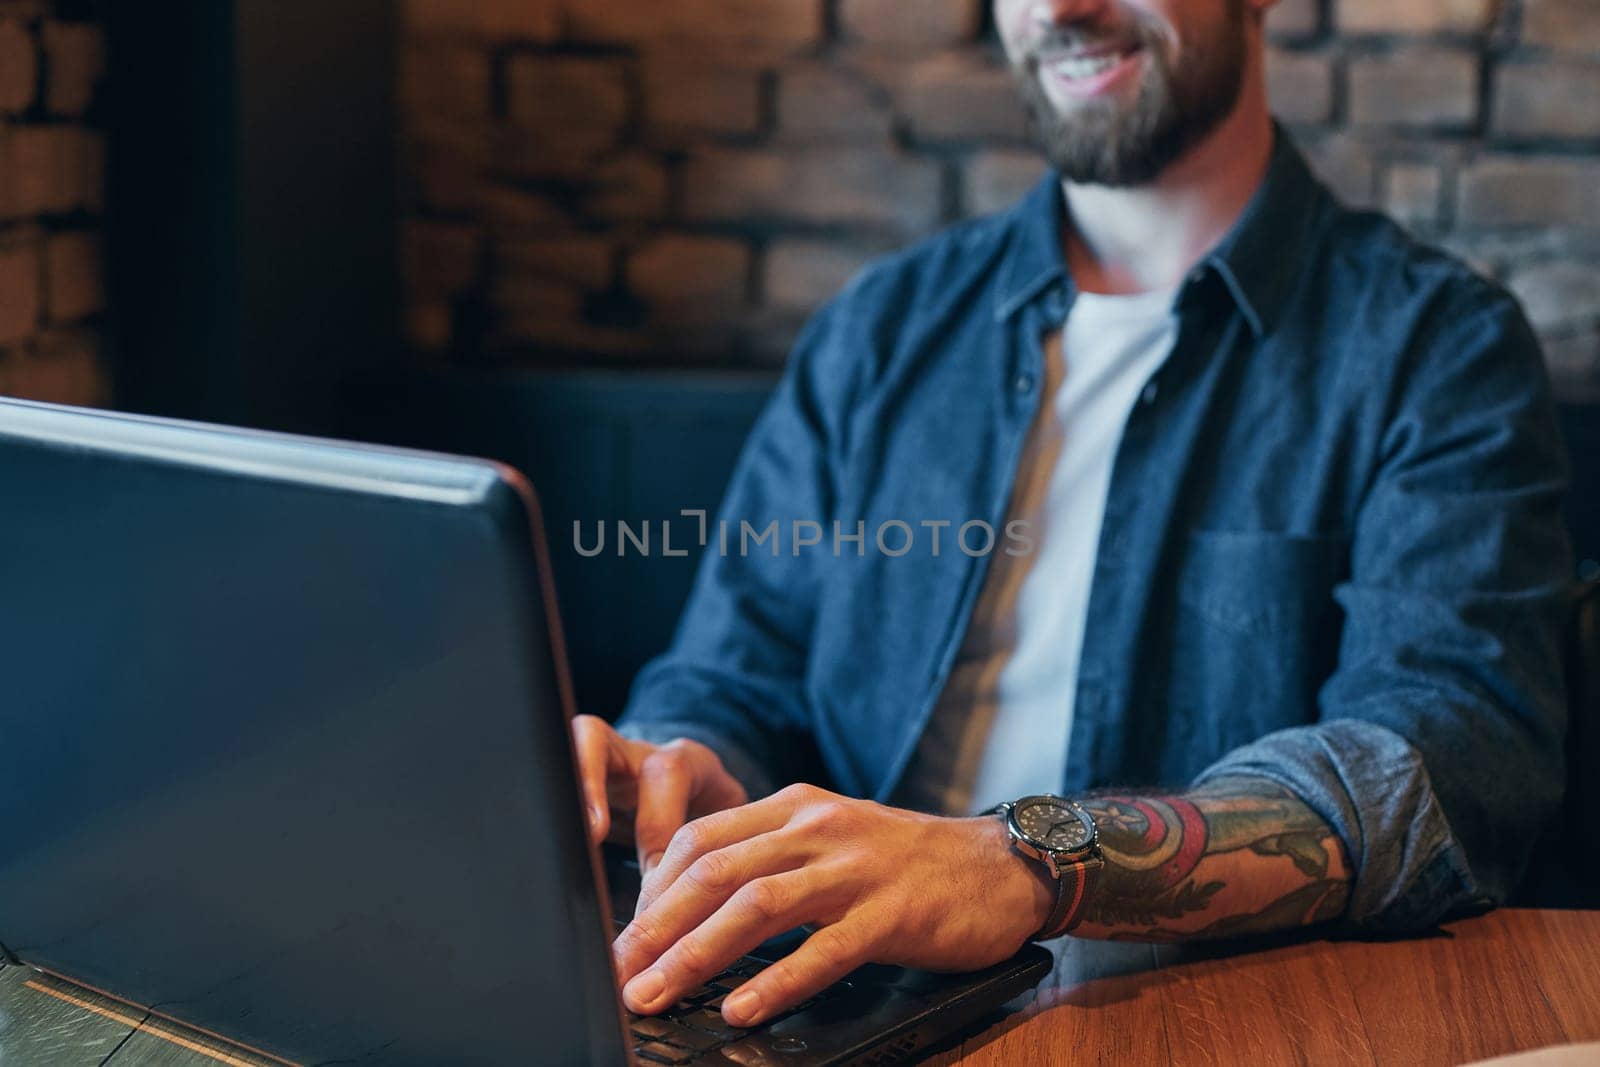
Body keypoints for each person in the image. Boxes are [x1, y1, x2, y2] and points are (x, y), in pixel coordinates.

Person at [572, 0, 1574, 1030]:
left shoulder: (1436, 348)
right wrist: (674, 774)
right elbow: (732, 672)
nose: (1059, 8)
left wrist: (1024, 861)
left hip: (1208, 1018)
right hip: (835, 1014)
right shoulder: (880, 329)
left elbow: (1440, 764)